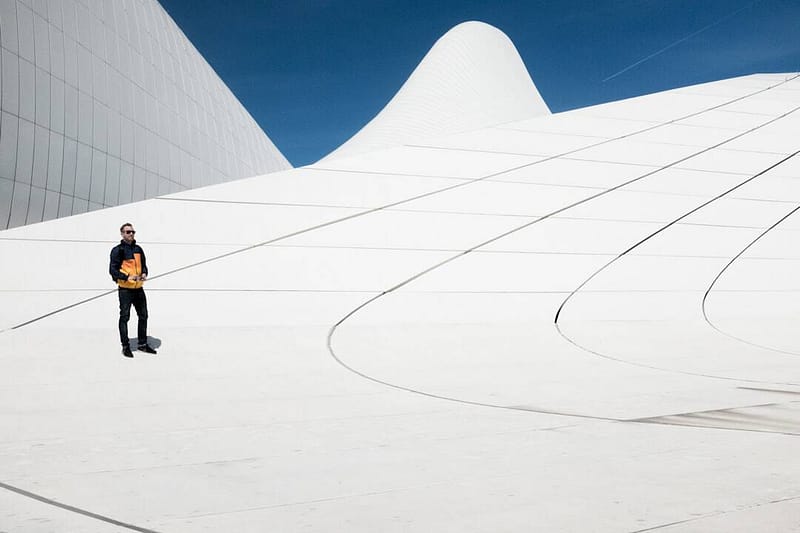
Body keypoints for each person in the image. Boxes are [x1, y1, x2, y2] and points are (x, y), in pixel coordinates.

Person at [109, 223, 157, 357]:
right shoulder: (118, 250)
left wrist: (144, 274)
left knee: (144, 315)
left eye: (133, 232)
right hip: (125, 290)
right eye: (128, 232)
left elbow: (144, 266)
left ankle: (142, 344)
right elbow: (112, 270)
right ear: (122, 234)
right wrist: (127, 277)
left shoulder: (138, 249)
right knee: (125, 317)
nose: (131, 234)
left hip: (139, 289)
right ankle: (125, 346)